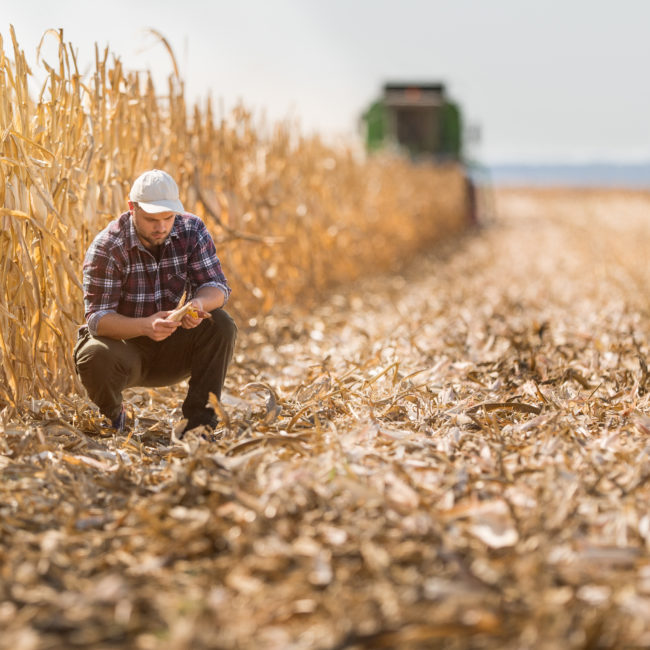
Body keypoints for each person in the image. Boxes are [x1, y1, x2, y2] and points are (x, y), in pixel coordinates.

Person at [74, 169, 237, 435]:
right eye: (151, 219)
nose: (161, 227)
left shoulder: (191, 230)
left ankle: (198, 426)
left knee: (221, 324)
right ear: (132, 209)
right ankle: (113, 417)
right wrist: (145, 325)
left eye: (168, 217)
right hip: (124, 349)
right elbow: (97, 320)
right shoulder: (108, 246)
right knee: (93, 354)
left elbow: (217, 287)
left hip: (172, 345)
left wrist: (197, 305)